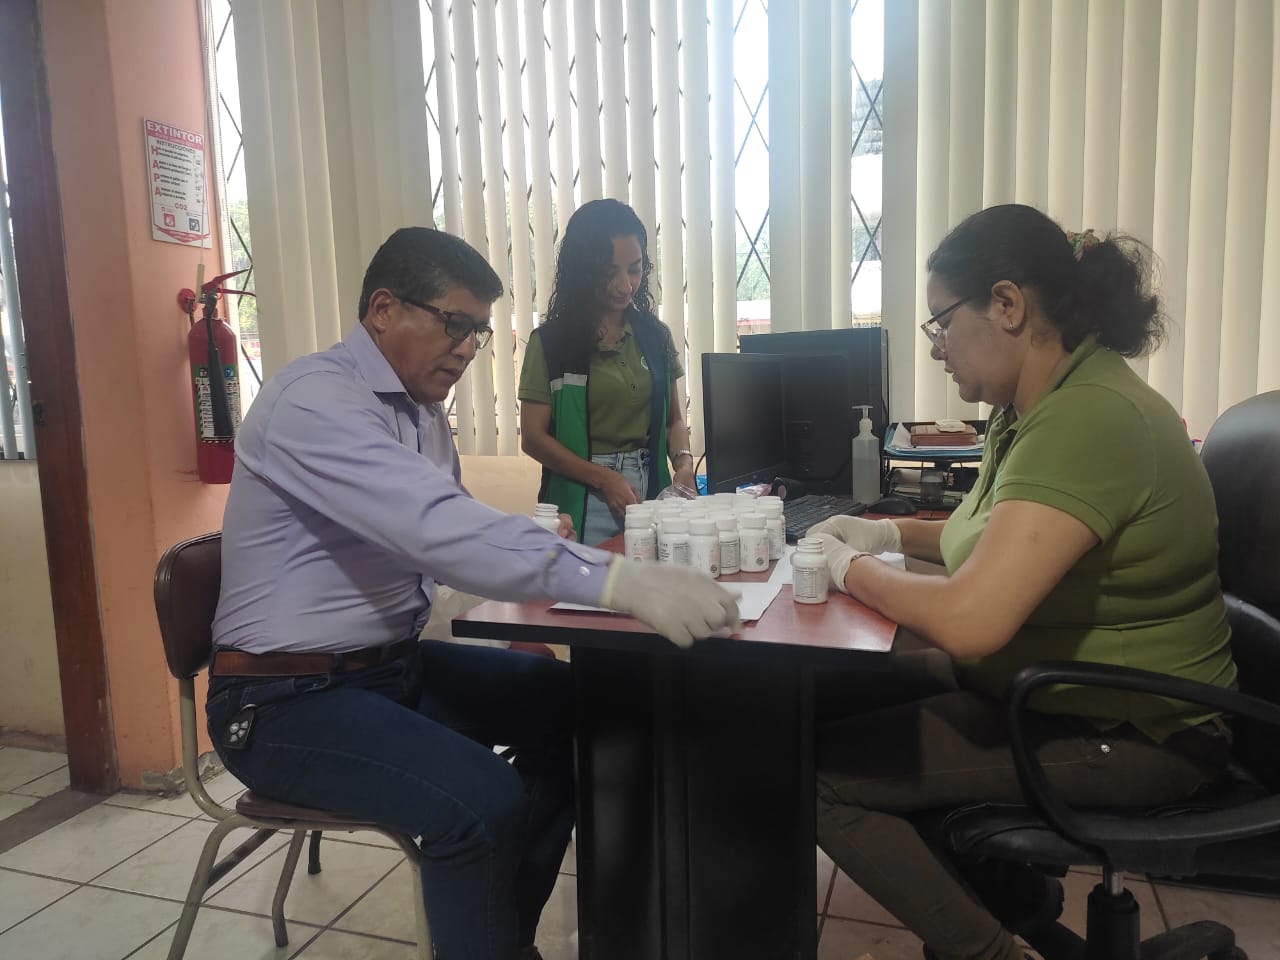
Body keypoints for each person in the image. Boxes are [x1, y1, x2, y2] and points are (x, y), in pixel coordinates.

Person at [207, 227, 739, 960]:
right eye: (454, 324)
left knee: (588, 714)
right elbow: (436, 528)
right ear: (384, 310)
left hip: (388, 672)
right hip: (282, 700)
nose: (466, 348)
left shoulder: (421, 414)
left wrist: (544, 554)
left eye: (478, 333)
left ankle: (500, 940)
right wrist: (614, 581)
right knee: (482, 801)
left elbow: (447, 540)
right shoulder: (313, 401)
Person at [807, 204, 1237, 960]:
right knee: (819, 699)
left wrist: (850, 568)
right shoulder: (1033, 410)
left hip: (1140, 733)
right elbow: (988, 538)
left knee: (817, 776)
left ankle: (999, 950)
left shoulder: (1089, 418)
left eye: (942, 322)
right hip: (1061, 690)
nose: (936, 347)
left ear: (1007, 305)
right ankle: (1019, 906)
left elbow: (972, 621)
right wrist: (885, 532)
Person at [519, 198, 697, 546]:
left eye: (634, 269)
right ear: (584, 270)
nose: (625, 285)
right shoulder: (551, 343)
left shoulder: (656, 336)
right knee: (590, 579)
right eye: (610, 272)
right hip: (584, 496)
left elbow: (674, 420)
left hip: (652, 493)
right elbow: (533, 438)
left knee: (652, 578)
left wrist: (684, 464)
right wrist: (603, 478)